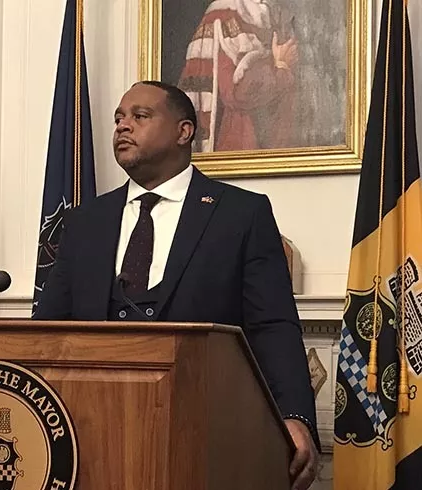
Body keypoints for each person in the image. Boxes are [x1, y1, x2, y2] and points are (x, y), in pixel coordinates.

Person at [34, 81, 319, 490]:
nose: (123, 126)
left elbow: (272, 326)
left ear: (184, 131)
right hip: (92, 432)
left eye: (140, 116)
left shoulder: (241, 214)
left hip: (205, 433)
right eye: (118, 118)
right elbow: (48, 329)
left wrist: (295, 416)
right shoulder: (85, 222)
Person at [177, 0, 299, 152]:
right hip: (239, 140)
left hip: (278, 141)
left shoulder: (277, 12)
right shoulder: (225, 14)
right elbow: (237, 93)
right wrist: (282, 68)